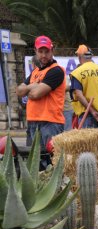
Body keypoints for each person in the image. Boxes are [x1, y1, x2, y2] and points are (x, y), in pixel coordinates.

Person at [15, 35, 65, 169]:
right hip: (33, 121)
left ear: (52, 50)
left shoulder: (56, 70)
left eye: (46, 51)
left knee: (50, 163)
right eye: (40, 51)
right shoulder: (35, 72)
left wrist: (29, 88)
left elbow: (35, 94)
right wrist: (33, 85)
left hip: (50, 122)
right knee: (35, 165)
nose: (44, 55)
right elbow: (19, 91)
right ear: (36, 51)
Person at [70, 44, 98, 129]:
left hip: (87, 113)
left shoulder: (77, 73)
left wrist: (93, 111)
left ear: (79, 56)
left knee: (89, 142)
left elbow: (78, 95)